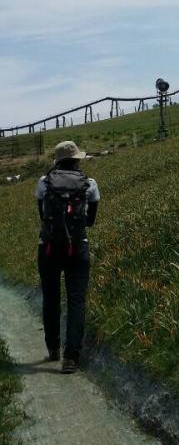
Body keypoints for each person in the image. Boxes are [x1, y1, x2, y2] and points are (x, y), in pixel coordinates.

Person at [36, 140, 100, 373]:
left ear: (57, 161)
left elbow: (43, 215)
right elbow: (90, 222)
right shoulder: (90, 184)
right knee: (76, 301)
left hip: (49, 247)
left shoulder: (43, 182)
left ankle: (53, 348)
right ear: (76, 160)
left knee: (51, 298)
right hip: (77, 247)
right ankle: (71, 358)